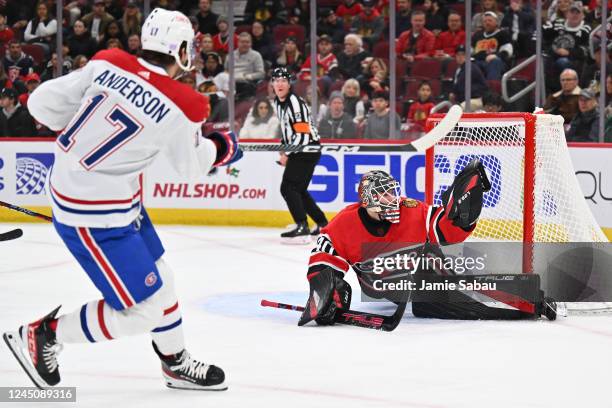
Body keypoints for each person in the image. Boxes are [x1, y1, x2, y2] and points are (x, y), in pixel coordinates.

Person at [4, 8, 242, 391]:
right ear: (180, 49)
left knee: (161, 279)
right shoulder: (186, 102)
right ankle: (44, 334)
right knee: (143, 311)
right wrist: (221, 147)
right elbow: (190, 167)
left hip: (107, 198)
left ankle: (175, 362)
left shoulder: (107, 62)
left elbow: (41, 105)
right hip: (96, 215)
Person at [298, 167, 557, 327]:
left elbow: (445, 230)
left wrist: (464, 217)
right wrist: (325, 295)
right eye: (385, 195)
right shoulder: (344, 223)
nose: (394, 199)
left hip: (424, 271)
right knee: (432, 297)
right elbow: (321, 260)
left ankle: (528, 296)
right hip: (382, 286)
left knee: (444, 295)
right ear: (367, 200)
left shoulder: (412, 210)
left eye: (393, 192)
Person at [271, 67, 328, 241]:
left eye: (283, 81)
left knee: (288, 187)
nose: (279, 84)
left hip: (306, 149)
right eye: (276, 80)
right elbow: (288, 129)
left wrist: (287, 153)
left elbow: (303, 133)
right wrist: (284, 146)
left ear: (289, 84)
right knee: (299, 189)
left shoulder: (294, 102)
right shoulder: (278, 102)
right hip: (299, 149)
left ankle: (302, 225)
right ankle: (322, 224)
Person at [471, 12, 513, 80]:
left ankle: (492, 87)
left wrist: (496, 56)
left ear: (496, 22)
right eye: (485, 21)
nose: (487, 23)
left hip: (495, 62)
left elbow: (508, 51)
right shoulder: (477, 35)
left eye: (490, 20)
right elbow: (470, 51)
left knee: (495, 62)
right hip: (478, 62)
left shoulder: (503, 34)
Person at [226, 32, 265, 100]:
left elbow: (261, 74)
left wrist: (248, 76)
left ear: (251, 43)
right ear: (238, 43)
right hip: (230, 83)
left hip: (246, 82)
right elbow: (226, 71)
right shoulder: (230, 55)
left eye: (247, 42)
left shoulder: (256, 55)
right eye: (242, 42)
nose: (245, 44)